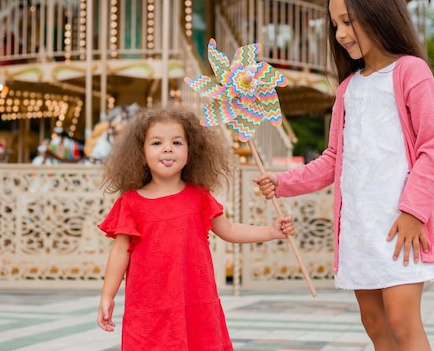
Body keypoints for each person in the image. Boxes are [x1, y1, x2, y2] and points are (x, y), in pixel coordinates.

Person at [254, 0, 434, 351]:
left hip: (401, 224)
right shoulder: (347, 88)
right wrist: (284, 182)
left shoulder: (412, 72)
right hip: (360, 225)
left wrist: (414, 212)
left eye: (348, 21)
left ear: (379, 14)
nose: (341, 33)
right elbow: (333, 159)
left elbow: (431, 148)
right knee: (374, 323)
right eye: (335, 24)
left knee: (401, 320)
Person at [97, 105, 295, 351]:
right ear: (140, 153)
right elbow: (119, 252)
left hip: (195, 303)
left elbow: (229, 230)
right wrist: (107, 295)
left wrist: (270, 231)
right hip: (149, 307)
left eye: (177, 143)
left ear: (191, 151)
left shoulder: (199, 196)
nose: (168, 148)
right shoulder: (131, 203)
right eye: (157, 143)